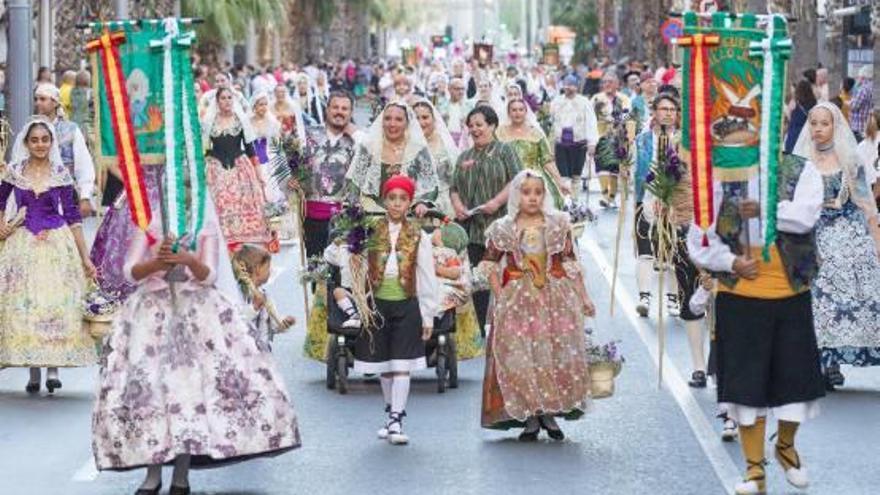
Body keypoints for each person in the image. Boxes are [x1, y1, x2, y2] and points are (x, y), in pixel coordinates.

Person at [91, 198, 301, 495]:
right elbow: (130, 271)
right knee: (152, 394)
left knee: (187, 394)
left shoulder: (204, 221)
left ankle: (181, 477)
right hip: (151, 316)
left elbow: (210, 274)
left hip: (195, 313)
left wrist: (188, 260)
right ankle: (152, 476)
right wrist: (157, 264)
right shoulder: (149, 221)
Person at [688, 119, 826, 493]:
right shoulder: (722, 178)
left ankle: (784, 446)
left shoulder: (801, 170)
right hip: (740, 298)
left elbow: (805, 217)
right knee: (745, 388)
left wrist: (763, 210)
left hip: (790, 294)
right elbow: (698, 238)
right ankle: (754, 470)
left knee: (796, 384)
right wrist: (730, 262)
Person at [479, 169, 595, 440]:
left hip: (554, 299)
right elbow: (489, 264)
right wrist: (500, 294)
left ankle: (549, 413)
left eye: (538, 192)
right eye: (526, 192)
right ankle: (530, 415)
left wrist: (584, 297)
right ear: (516, 195)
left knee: (551, 352)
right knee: (521, 356)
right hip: (517, 301)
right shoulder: (504, 227)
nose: (532, 198)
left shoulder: (557, 224)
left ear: (545, 195)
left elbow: (569, 262)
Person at [0, 118, 97, 393]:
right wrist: (2, 225)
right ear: (27, 144)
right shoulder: (15, 171)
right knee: (28, 304)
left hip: (57, 243)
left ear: (51, 142)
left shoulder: (60, 173)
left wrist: (85, 257)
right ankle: (33, 371)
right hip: (23, 243)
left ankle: (53, 368)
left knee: (55, 305)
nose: (40, 144)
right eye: (35, 140)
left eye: (45, 139)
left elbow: (73, 215)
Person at [791, 102, 880, 390]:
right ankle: (824, 361)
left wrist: (876, 241)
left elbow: (866, 203)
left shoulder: (851, 160)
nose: (817, 129)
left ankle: (835, 361)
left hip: (847, 229)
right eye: (813, 123)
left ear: (835, 126)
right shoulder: (799, 160)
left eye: (824, 123)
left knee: (856, 286)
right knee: (815, 296)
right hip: (812, 229)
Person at [354, 176, 439, 445]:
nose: (397, 204)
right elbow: (352, 261)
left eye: (403, 199)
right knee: (384, 364)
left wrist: (427, 313)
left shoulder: (418, 235)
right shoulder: (370, 230)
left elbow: (426, 275)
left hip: (406, 303)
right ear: (384, 200)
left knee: (402, 363)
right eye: (392, 198)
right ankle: (390, 412)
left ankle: (397, 418)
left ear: (410, 203)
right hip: (378, 305)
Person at [638, 93, 706, 387]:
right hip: (683, 230)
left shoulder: (726, 153)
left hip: (718, 233)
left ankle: (718, 363)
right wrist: (661, 199)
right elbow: (654, 181)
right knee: (689, 296)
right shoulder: (674, 149)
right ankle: (699, 365)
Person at [450, 105, 523, 333]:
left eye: (479, 125)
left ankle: (511, 326)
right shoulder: (464, 156)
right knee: (478, 278)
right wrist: (459, 206)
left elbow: (518, 180)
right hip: (472, 228)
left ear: (492, 125)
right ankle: (480, 328)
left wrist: (497, 202)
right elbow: (454, 188)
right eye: (471, 126)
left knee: (504, 275)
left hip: (500, 225)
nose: (475, 129)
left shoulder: (504, 150)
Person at [11, 83, 96, 217]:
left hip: (66, 196)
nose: (38, 103)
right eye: (36, 99)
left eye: (43, 99)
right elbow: (17, 161)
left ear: (55, 102)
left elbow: (83, 165)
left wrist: (85, 196)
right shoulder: (27, 130)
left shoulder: (71, 130)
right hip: (34, 197)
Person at [633, 94, 683, 319]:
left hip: (675, 200)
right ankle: (644, 296)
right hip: (647, 198)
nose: (668, 113)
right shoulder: (642, 140)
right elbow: (633, 168)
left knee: (674, 251)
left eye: (672, 109)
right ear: (654, 112)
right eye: (663, 109)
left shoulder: (684, 141)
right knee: (645, 250)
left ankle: (673, 298)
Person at [202, 87, 272, 248]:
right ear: (217, 101)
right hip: (217, 167)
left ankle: (244, 242)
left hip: (240, 165)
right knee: (221, 202)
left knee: (244, 201)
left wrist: (259, 173)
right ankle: (224, 243)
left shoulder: (240, 120)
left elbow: (250, 148)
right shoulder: (209, 121)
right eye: (223, 98)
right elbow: (205, 147)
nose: (227, 101)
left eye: (229, 98)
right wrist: (208, 161)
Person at [346, 102, 439, 214]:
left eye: (399, 119)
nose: (392, 124)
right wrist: (355, 204)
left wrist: (422, 203)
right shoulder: (369, 147)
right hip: (371, 215)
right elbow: (355, 182)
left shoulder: (418, 149)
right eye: (387, 118)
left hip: (409, 216)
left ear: (407, 123)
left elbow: (431, 184)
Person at [498, 98, 568, 208]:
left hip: (534, 176)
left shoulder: (536, 133)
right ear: (509, 112)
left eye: (521, 110)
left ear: (526, 112)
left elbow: (547, 160)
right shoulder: (499, 132)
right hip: (506, 176)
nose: (517, 113)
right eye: (514, 110)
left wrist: (560, 182)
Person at [233, 244, 296, 352]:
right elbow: (235, 323)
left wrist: (283, 323)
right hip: (243, 354)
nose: (270, 271)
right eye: (267, 268)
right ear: (257, 269)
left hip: (262, 352)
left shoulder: (264, 295)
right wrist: (254, 308)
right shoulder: (237, 294)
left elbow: (272, 324)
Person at [550, 75, 598, 200]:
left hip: (579, 142)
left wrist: (592, 142)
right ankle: (565, 202)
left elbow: (591, 122)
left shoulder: (584, 102)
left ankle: (574, 201)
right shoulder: (556, 102)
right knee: (563, 175)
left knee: (576, 175)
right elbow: (551, 121)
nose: (568, 88)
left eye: (571, 85)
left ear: (577, 87)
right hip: (561, 143)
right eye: (566, 84)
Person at [592, 72, 635, 208]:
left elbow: (628, 114)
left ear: (617, 84)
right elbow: (591, 116)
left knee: (614, 168)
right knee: (602, 166)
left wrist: (617, 120)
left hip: (618, 137)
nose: (608, 84)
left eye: (611, 81)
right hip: (601, 136)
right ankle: (605, 195)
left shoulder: (624, 98)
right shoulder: (596, 98)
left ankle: (611, 197)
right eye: (605, 82)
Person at [413, 99, 459, 217]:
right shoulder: (404, 144)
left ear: (434, 119)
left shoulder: (445, 144)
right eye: (416, 118)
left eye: (425, 117)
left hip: (442, 204)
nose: (420, 122)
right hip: (409, 203)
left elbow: (455, 180)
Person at [784, 80, 817, 154]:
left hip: (794, 132)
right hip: (807, 133)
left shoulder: (795, 102)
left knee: (793, 157)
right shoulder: (814, 103)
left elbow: (789, 117)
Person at [850, 65, 874, 142]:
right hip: (869, 125)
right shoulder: (874, 87)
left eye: (858, 76)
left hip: (859, 127)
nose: (857, 78)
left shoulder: (863, 89)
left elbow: (854, 106)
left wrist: (849, 102)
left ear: (863, 77)